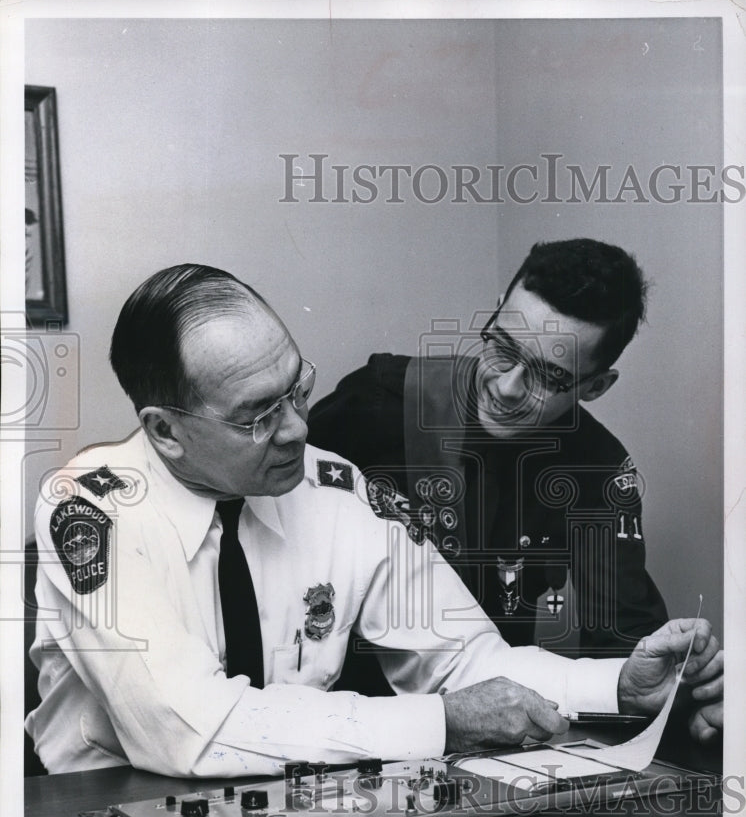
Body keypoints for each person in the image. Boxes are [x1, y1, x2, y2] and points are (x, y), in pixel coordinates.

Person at [25, 263, 722, 778]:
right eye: (259, 416)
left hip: (291, 803)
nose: (298, 430)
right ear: (165, 431)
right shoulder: (89, 511)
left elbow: (461, 658)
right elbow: (190, 729)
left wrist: (616, 685)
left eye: (297, 389)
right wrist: (441, 723)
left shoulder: (334, 487)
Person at [308, 239, 669, 683]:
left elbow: (623, 639)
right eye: (503, 347)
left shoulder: (597, 469)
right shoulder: (379, 401)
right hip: (344, 701)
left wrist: (671, 684)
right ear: (498, 310)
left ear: (596, 387)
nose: (507, 388)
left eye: (549, 377)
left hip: (491, 707)